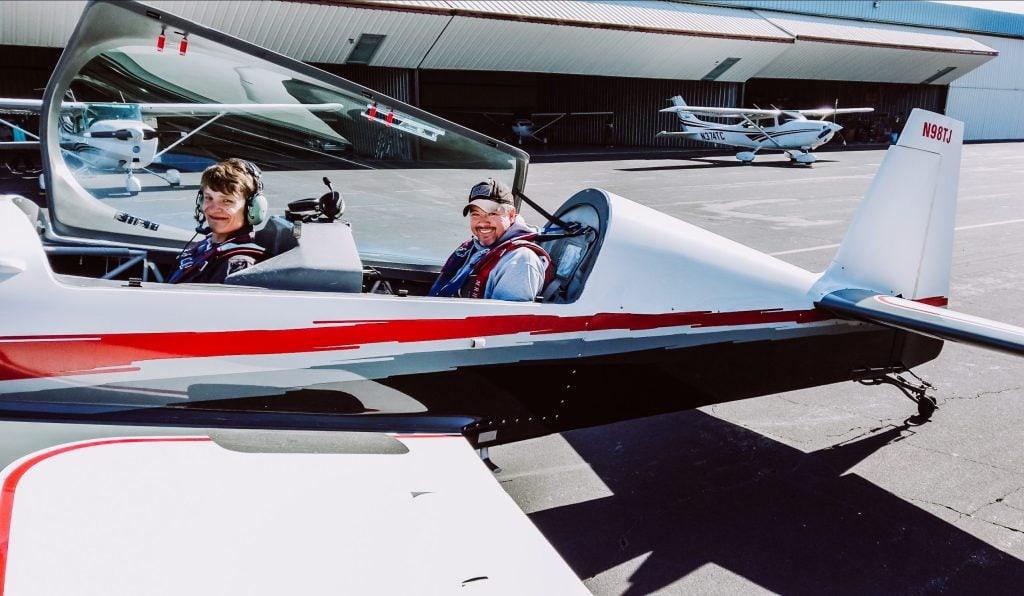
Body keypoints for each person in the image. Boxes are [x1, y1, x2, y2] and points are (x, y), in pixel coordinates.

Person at [429, 178, 552, 301]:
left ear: (511, 215)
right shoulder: (475, 248)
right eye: (475, 214)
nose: (482, 222)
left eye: (492, 213)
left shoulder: (521, 261)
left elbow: (505, 319)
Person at [168, 158, 268, 284]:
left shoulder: (237, 265)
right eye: (208, 198)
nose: (213, 209)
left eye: (226, 201)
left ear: (252, 208)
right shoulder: (209, 245)